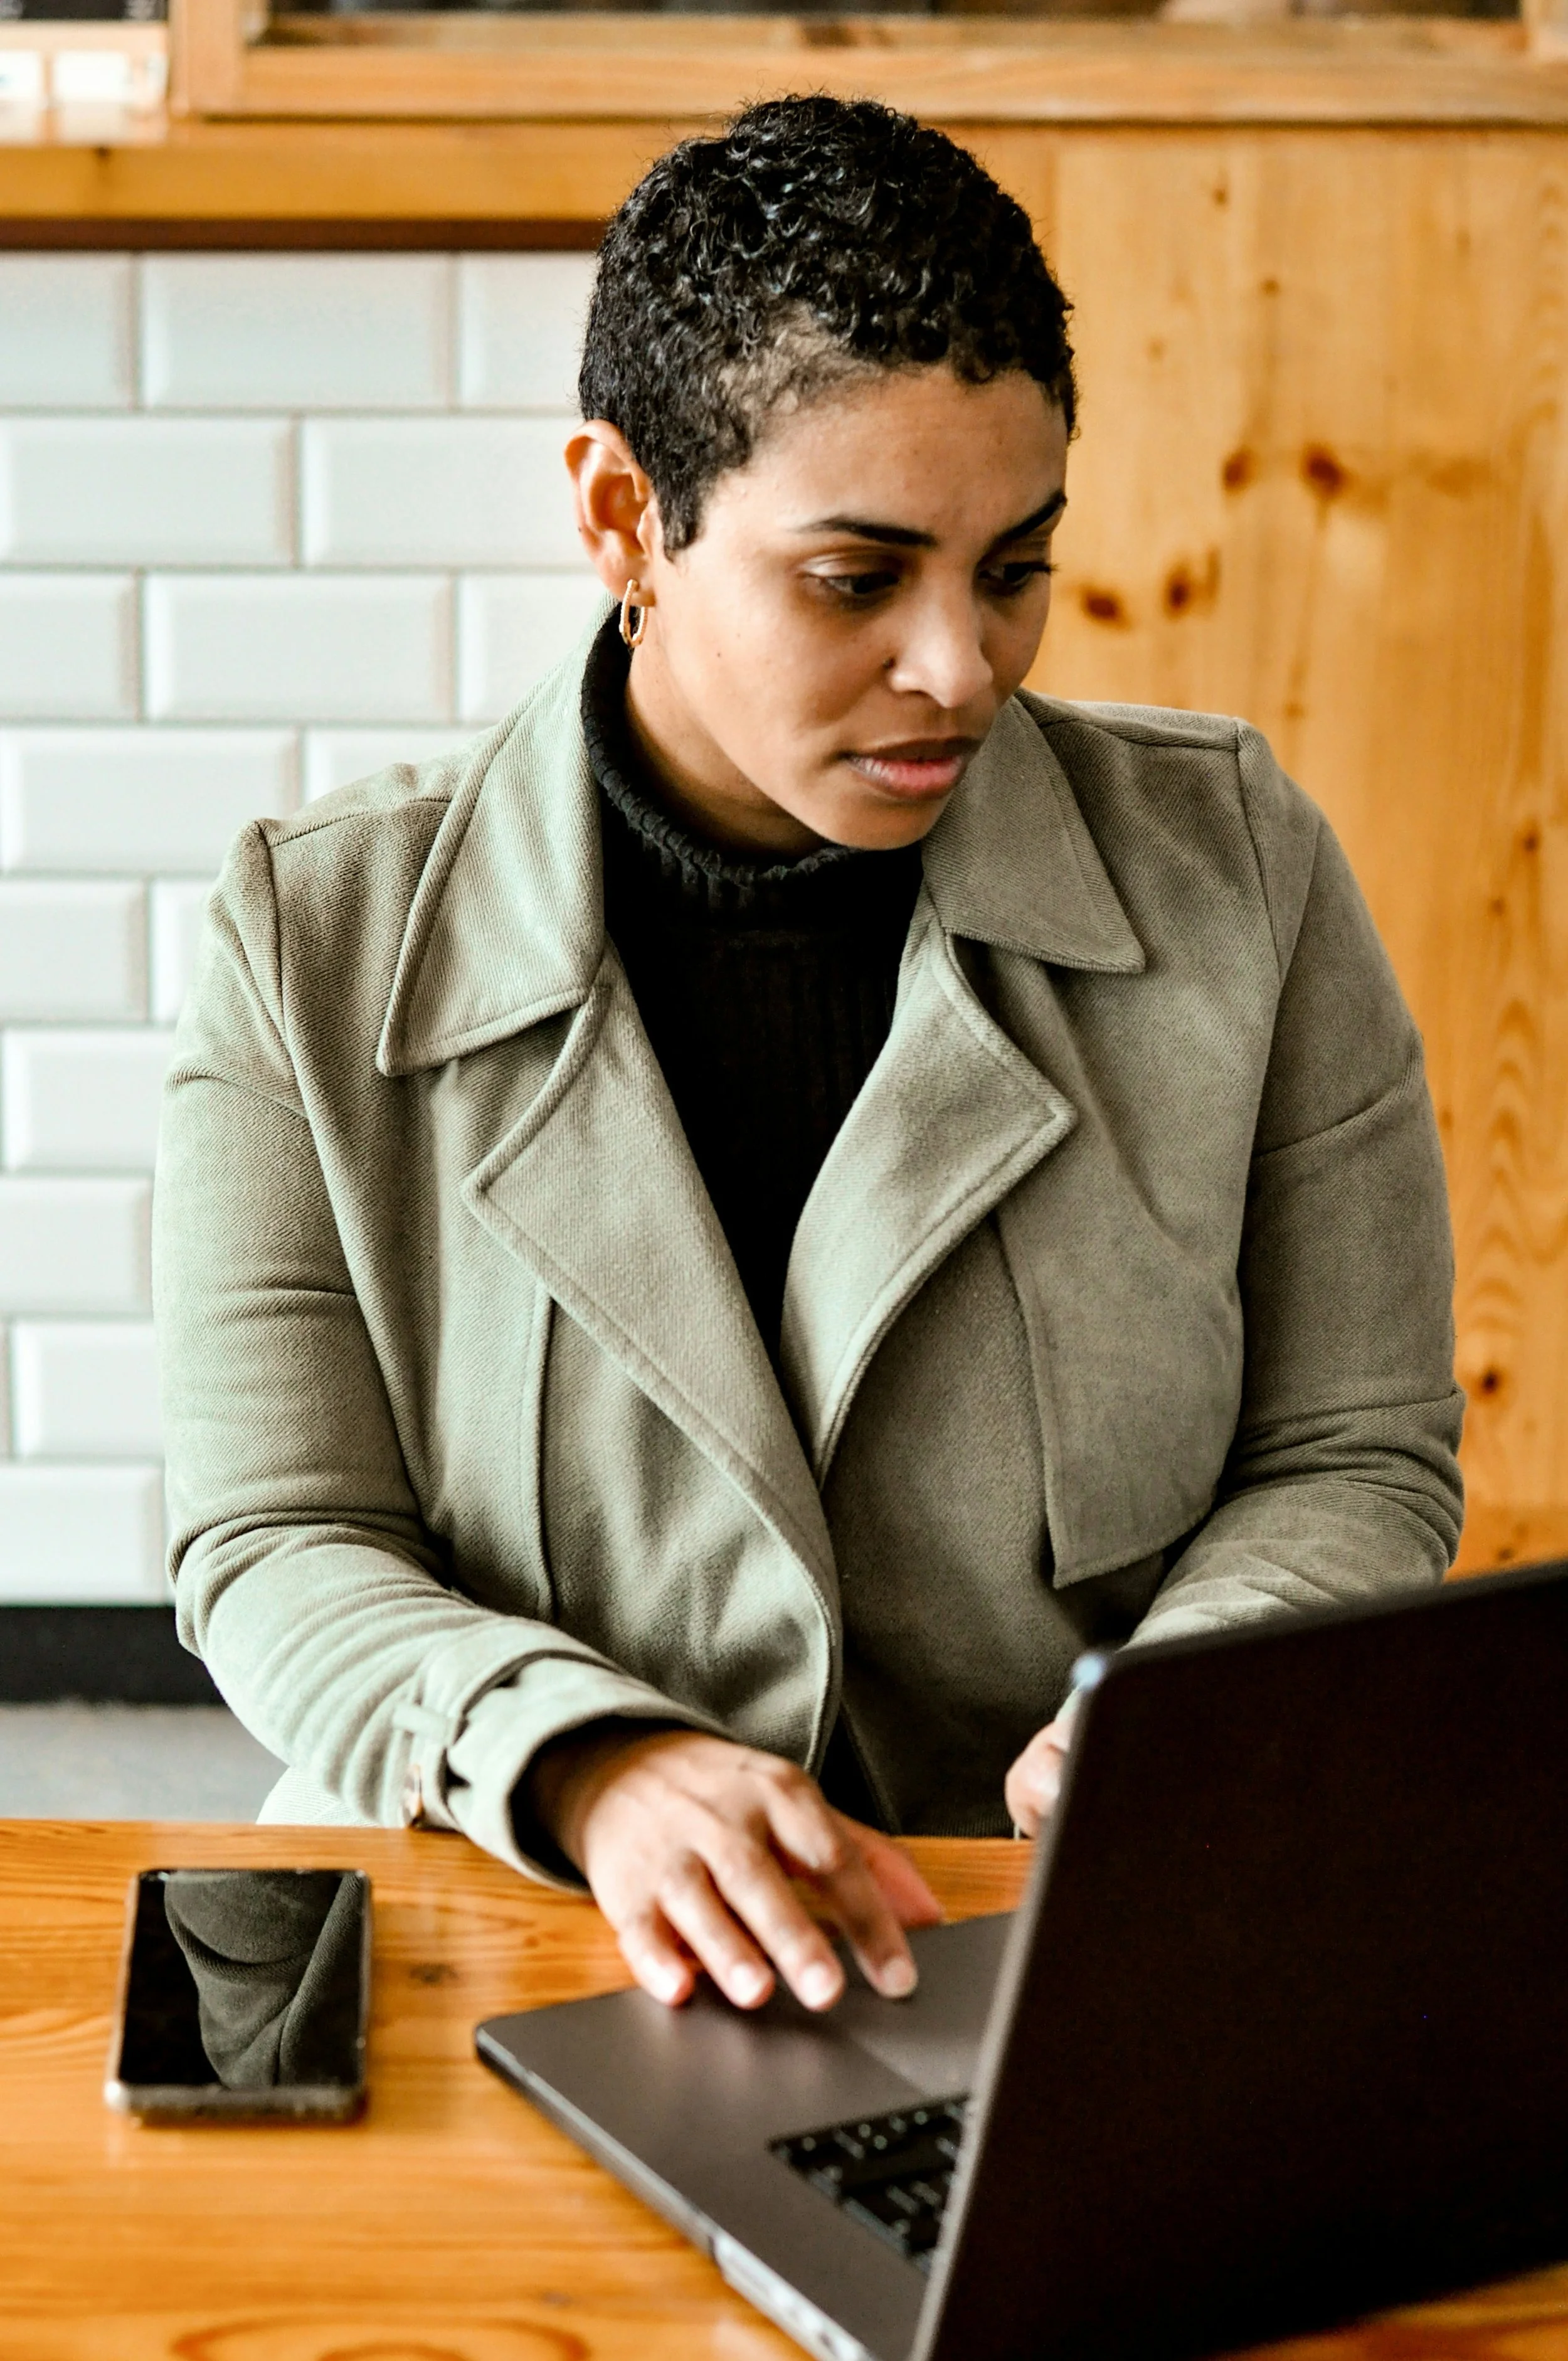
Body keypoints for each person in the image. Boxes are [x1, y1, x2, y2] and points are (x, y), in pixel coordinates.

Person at [154, 97, 1464, 2025]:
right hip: (524, 1921)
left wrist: (1181, 1712)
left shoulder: (1239, 872)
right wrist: (586, 1764)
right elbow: (272, 1536)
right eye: (858, 577)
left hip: (1056, 1937)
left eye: (1013, 564)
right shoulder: (311, 938)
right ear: (623, 514)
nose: (963, 665)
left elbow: (1348, 1454)